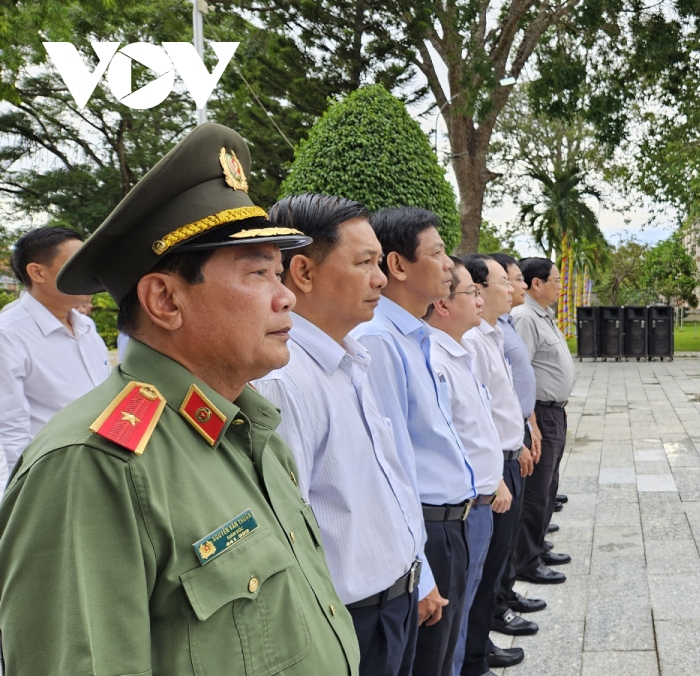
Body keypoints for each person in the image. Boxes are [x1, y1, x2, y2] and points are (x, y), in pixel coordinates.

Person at [0, 123, 359, 675]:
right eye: (259, 273)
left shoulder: (248, 427)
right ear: (165, 300)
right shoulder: (94, 467)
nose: (286, 296)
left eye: (280, 272)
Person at [252, 194, 429, 676]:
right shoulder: (283, 381)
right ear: (304, 274)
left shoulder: (349, 358)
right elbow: (287, 532)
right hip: (350, 621)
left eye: (379, 262)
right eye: (364, 262)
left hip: (396, 597)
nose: (381, 278)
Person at [352, 207, 475, 676]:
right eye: (438, 253)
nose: (449, 265)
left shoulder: (413, 336)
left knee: (442, 657)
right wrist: (418, 564)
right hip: (425, 527)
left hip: (446, 522)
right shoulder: (380, 342)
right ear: (399, 266)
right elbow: (389, 465)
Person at [425, 258, 509, 676]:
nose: (479, 299)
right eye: (469, 292)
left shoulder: (458, 352)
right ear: (442, 303)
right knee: (452, 618)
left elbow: (479, 428)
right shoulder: (435, 359)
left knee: (467, 602)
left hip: (476, 502)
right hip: (461, 506)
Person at [461, 254, 535, 674]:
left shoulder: (488, 336)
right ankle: (474, 655)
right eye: (501, 283)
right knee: (484, 570)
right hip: (493, 470)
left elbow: (501, 405)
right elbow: (476, 418)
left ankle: (479, 644)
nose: (510, 289)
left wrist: (521, 439)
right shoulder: (471, 342)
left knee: (493, 563)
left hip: (507, 456)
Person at [0, 227, 111, 470]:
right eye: (75, 263)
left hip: (103, 466)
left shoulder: (86, 327)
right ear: (37, 272)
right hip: (53, 473)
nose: (89, 273)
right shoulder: (8, 335)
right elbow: (9, 429)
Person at [486, 253, 547, 634]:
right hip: (496, 457)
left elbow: (512, 390)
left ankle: (504, 599)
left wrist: (529, 426)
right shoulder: (479, 337)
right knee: (494, 552)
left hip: (517, 437)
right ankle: (493, 618)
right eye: (509, 281)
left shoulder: (500, 328)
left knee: (503, 544)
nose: (517, 287)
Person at [510, 257, 574, 585]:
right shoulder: (524, 317)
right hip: (540, 412)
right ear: (538, 283)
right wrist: (530, 422)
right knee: (536, 489)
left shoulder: (542, 315)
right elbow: (520, 374)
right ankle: (527, 561)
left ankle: (537, 546)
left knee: (549, 484)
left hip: (554, 410)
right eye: (557, 281)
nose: (561, 286)